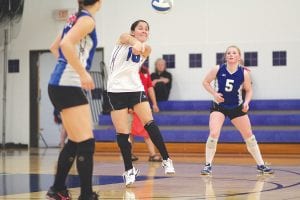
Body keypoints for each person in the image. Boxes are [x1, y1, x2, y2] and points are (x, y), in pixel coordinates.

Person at [106, 19, 175, 187]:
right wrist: (134, 41)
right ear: (133, 31)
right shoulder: (123, 39)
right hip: (116, 90)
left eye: (147, 29)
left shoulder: (147, 49)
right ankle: (129, 170)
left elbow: (144, 49)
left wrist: (140, 46)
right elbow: (126, 38)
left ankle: (166, 159)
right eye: (140, 28)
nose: (144, 31)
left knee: (149, 123)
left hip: (135, 89)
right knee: (122, 132)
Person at [46, 0, 102, 199]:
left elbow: (55, 48)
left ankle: (57, 189)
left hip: (60, 84)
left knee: (76, 141)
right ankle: (86, 195)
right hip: (67, 85)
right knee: (86, 142)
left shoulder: (75, 18)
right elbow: (64, 45)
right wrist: (81, 73)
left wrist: (68, 67)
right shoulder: (87, 20)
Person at [200, 45, 273, 176]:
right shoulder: (218, 69)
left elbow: (249, 90)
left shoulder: (244, 73)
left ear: (239, 57)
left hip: (236, 107)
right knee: (214, 132)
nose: (231, 55)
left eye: (234, 53)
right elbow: (205, 82)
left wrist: (246, 102)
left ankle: (261, 165)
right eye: (228, 53)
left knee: (249, 136)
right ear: (225, 56)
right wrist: (214, 94)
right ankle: (207, 165)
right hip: (219, 106)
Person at [130, 65, 162, 162]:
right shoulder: (129, 70)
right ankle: (129, 154)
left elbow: (150, 87)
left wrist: (155, 104)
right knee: (130, 131)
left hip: (143, 103)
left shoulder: (145, 70)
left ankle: (152, 155)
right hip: (132, 103)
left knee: (148, 129)